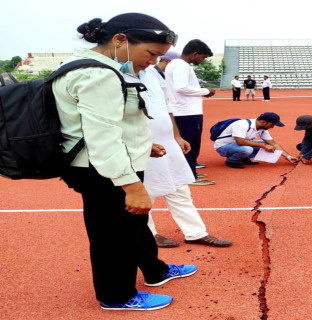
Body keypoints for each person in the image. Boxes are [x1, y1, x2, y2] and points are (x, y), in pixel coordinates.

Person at [53, 13, 196, 311]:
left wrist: (143, 146)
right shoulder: (98, 74)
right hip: (103, 169)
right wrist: (131, 185)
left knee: (131, 224)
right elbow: (102, 138)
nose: (153, 61)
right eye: (151, 53)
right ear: (120, 40)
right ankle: (117, 296)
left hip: (106, 163)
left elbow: (107, 123)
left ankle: (154, 271)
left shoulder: (98, 67)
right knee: (112, 236)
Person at [139, 53, 232, 248]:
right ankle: (148, 233)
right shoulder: (116, 74)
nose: (154, 59)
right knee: (146, 191)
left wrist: (176, 136)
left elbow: (166, 107)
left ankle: (195, 232)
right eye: (151, 53)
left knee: (180, 187)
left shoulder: (153, 75)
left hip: (167, 141)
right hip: (142, 144)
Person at [165, 40, 215, 186]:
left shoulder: (174, 64)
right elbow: (181, 87)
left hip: (181, 110)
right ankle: (189, 176)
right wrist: (205, 91)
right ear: (195, 54)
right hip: (188, 112)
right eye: (203, 57)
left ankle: (186, 172)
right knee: (191, 144)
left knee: (184, 144)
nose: (202, 60)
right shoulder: (181, 65)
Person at [214, 112, 298, 169]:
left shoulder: (263, 129)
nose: (273, 127)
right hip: (223, 146)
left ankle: (244, 158)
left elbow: (274, 144)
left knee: (269, 145)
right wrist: (263, 145)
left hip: (238, 146)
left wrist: (288, 157)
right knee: (248, 149)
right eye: (272, 124)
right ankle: (231, 161)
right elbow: (240, 142)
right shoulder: (242, 124)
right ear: (263, 122)